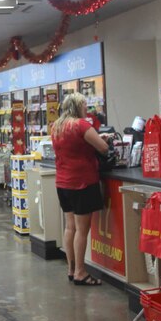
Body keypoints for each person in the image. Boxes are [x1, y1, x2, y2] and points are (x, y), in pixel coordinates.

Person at [51, 92, 110, 287]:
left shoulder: (57, 126)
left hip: (63, 183)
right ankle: (81, 272)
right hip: (82, 182)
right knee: (82, 230)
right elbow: (102, 147)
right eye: (85, 105)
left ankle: (71, 269)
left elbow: (74, 144)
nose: (87, 108)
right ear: (77, 107)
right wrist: (104, 140)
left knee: (70, 227)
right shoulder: (82, 125)